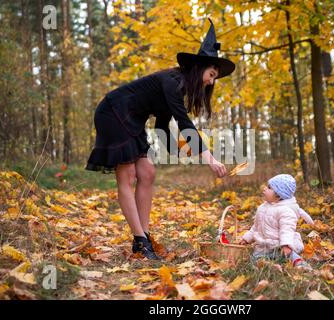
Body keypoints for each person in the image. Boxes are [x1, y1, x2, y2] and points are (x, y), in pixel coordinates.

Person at [85, 18, 235, 260]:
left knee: (148, 173)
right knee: (128, 174)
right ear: (199, 69)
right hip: (113, 112)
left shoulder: (179, 87)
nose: (211, 81)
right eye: (211, 74)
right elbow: (184, 123)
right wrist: (209, 158)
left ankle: (144, 239)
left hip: (132, 119)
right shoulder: (172, 82)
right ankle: (140, 242)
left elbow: (163, 127)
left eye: (215, 77)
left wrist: (180, 151)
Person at [239, 174, 313, 269]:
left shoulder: (285, 210)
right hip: (263, 247)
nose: (265, 188)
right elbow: (256, 227)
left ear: (279, 195)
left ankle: (300, 264)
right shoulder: (262, 208)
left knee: (290, 254)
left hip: (279, 246)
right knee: (254, 260)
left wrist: (286, 244)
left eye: (269, 188)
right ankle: (271, 266)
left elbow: (287, 229)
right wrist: (246, 238)